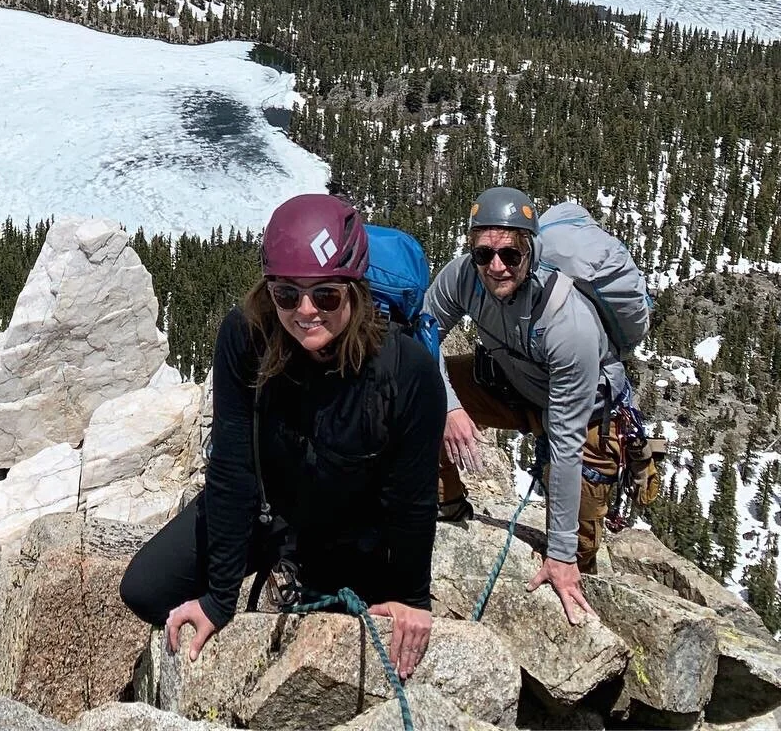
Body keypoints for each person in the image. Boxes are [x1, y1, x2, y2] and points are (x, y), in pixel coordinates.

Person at [119, 194, 447, 680]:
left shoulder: (407, 372)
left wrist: (411, 598)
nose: (306, 311)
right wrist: (219, 598)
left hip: (350, 527)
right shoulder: (246, 338)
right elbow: (232, 465)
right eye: (287, 295)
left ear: (355, 289)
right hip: (270, 507)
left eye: (327, 295)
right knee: (146, 590)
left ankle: (311, 569)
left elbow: (412, 499)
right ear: (268, 291)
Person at [424, 187, 626, 626]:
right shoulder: (462, 277)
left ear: (530, 251)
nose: (496, 267)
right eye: (484, 254)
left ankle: (578, 574)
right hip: (515, 387)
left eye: (510, 255)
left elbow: (567, 443)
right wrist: (449, 407)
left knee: (577, 544)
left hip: (585, 415)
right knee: (416, 389)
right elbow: (422, 335)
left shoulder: (567, 321)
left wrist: (560, 554)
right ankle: (444, 501)